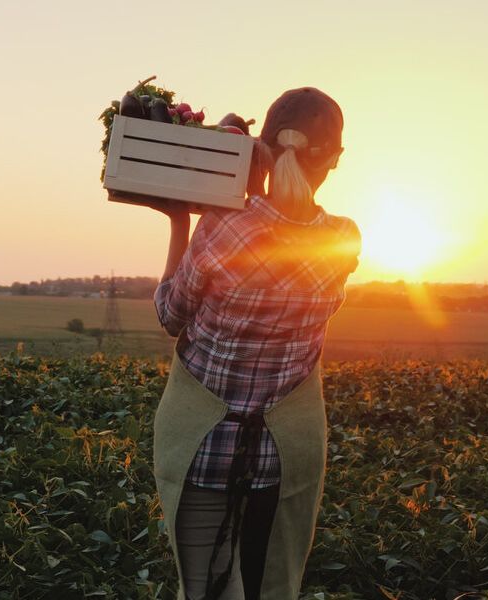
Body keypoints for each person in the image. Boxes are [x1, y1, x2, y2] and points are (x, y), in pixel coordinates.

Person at [111, 87, 360, 599]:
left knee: (202, 589)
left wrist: (182, 218)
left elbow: (170, 314)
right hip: (283, 456)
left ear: (261, 150)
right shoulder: (344, 239)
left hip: (204, 448)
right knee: (270, 587)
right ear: (334, 160)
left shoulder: (222, 228)